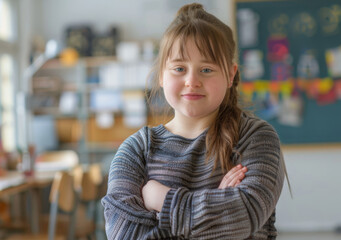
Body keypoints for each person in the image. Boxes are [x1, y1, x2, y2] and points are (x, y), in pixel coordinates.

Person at [102, 3, 287, 240]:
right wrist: (216, 212)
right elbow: (123, 234)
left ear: (230, 74)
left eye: (207, 70)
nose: (192, 81)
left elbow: (244, 215)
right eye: (179, 68)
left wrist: (162, 200)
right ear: (162, 75)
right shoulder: (135, 150)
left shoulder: (256, 137)